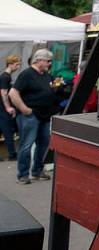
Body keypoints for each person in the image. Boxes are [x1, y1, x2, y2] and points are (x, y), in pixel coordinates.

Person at [9, 49, 64, 182]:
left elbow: (48, 90)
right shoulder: (26, 74)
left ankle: (37, 171)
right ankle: (23, 175)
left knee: (43, 144)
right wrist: (24, 109)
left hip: (45, 115)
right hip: (30, 116)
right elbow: (13, 93)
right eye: (48, 61)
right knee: (26, 145)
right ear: (38, 60)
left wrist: (55, 87)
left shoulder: (46, 74)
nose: (50, 63)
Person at [0, 54, 22, 160]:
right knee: (8, 131)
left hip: (2, 108)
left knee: (4, 130)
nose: (18, 67)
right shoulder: (5, 77)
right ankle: (12, 154)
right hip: (3, 108)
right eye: (17, 64)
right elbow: (3, 93)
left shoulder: (6, 76)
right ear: (10, 64)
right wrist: (8, 107)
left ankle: (12, 154)